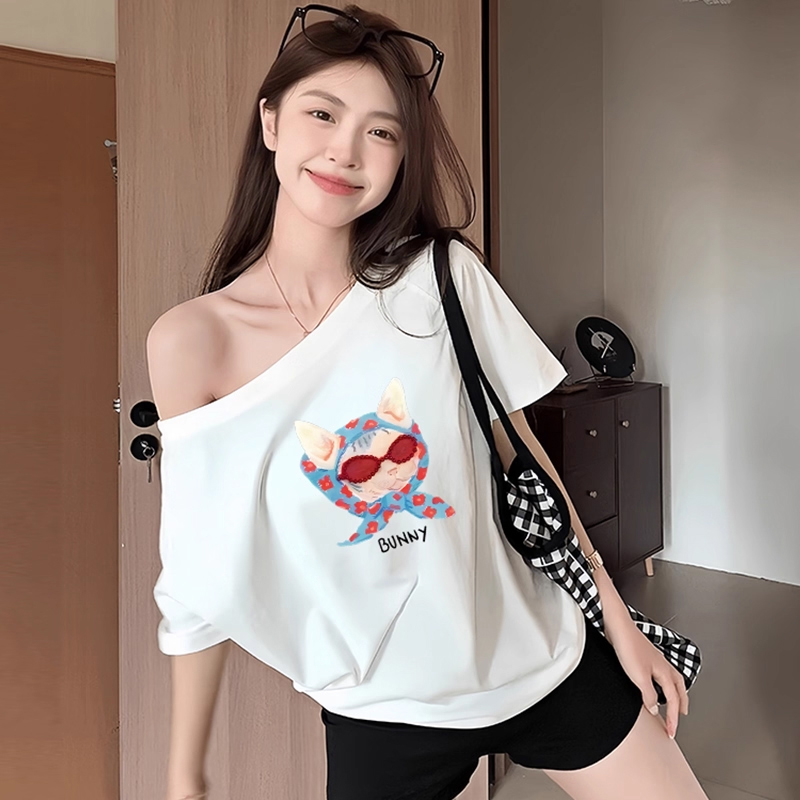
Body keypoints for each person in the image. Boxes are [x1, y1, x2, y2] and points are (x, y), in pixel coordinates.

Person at [146, 5, 707, 800]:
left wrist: (617, 624)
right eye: (321, 114)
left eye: (381, 131)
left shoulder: (442, 278)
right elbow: (198, 573)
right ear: (270, 121)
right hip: (384, 711)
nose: (345, 150)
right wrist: (185, 775)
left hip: (542, 658)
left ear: (402, 154)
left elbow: (527, 461)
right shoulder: (193, 343)